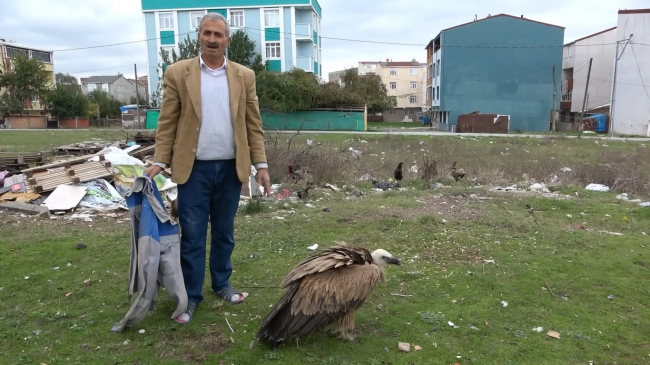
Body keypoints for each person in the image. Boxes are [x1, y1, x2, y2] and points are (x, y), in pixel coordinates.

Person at [143, 12, 271, 324]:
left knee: (225, 234)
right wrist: (160, 160)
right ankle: (190, 298)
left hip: (231, 169)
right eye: (207, 33)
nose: (212, 39)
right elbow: (168, 121)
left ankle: (222, 284)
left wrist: (262, 165)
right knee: (194, 235)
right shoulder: (178, 72)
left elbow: (253, 124)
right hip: (194, 171)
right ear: (199, 36)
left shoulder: (244, 75)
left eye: (218, 34)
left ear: (228, 40)